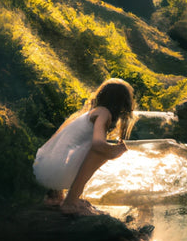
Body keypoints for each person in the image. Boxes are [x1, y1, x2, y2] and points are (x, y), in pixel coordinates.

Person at [32, 78, 136, 215]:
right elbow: (98, 145)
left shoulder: (91, 113)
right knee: (101, 151)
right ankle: (71, 201)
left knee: (84, 145)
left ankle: (56, 196)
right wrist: (117, 150)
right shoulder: (104, 113)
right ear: (122, 103)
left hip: (42, 169)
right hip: (53, 173)